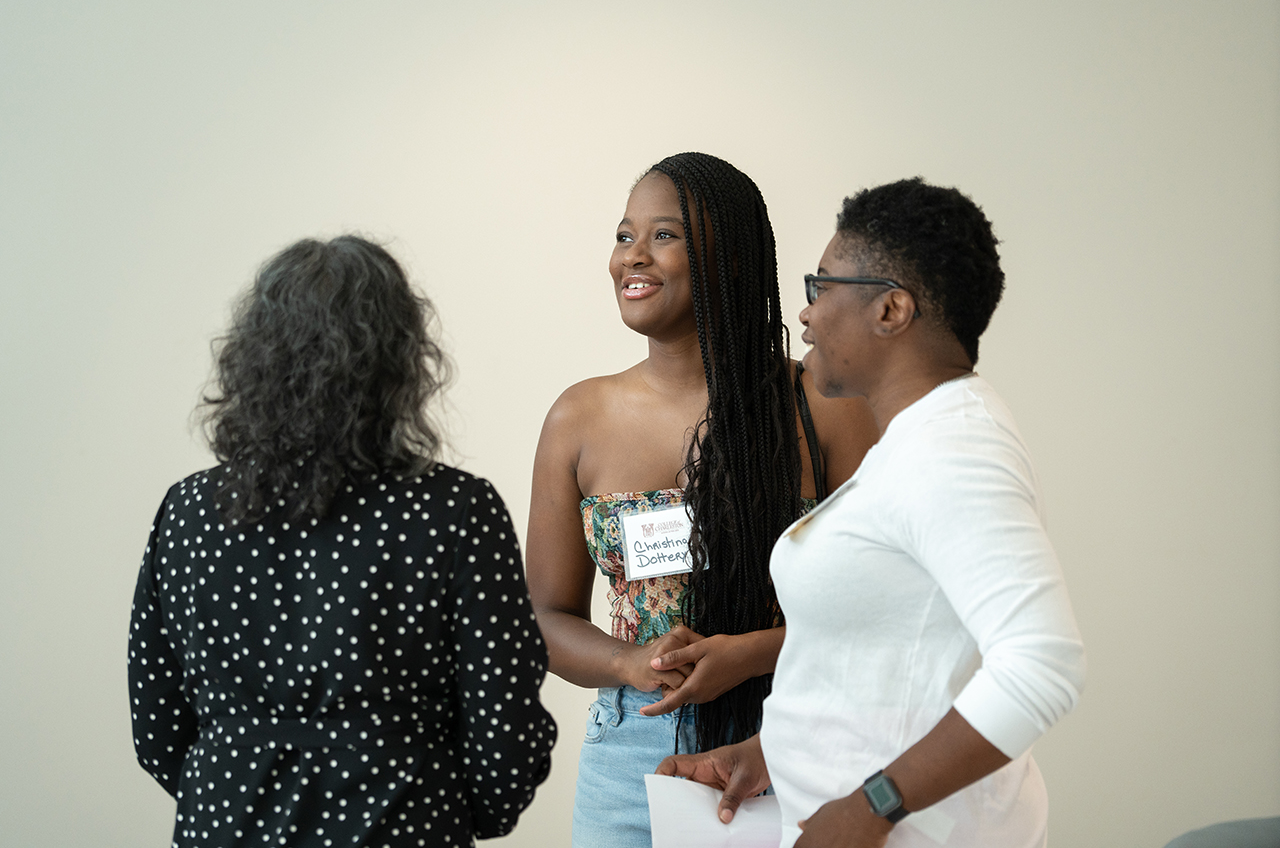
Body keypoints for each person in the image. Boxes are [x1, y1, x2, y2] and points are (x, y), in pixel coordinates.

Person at [658, 178, 1088, 848]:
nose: (805, 315)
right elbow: (889, 656)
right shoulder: (914, 443)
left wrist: (870, 806)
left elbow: (1043, 664)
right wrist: (771, 751)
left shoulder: (954, 449)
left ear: (891, 309)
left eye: (821, 286)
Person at [128, 236, 556, 848]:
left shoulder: (190, 512)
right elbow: (504, 730)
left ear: (254, 358)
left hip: (225, 828)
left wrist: (234, 786)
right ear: (401, 361)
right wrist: (448, 811)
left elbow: (158, 726)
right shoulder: (456, 512)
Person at [526, 152, 879, 847]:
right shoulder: (579, 416)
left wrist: (752, 652)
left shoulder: (823, 405)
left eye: (664, 235)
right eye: (625, 235)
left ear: (734, 258)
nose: (633, 257)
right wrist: (629, 662)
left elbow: (882, 609)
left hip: (788, 740)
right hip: (632, 753)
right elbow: (546, 615)